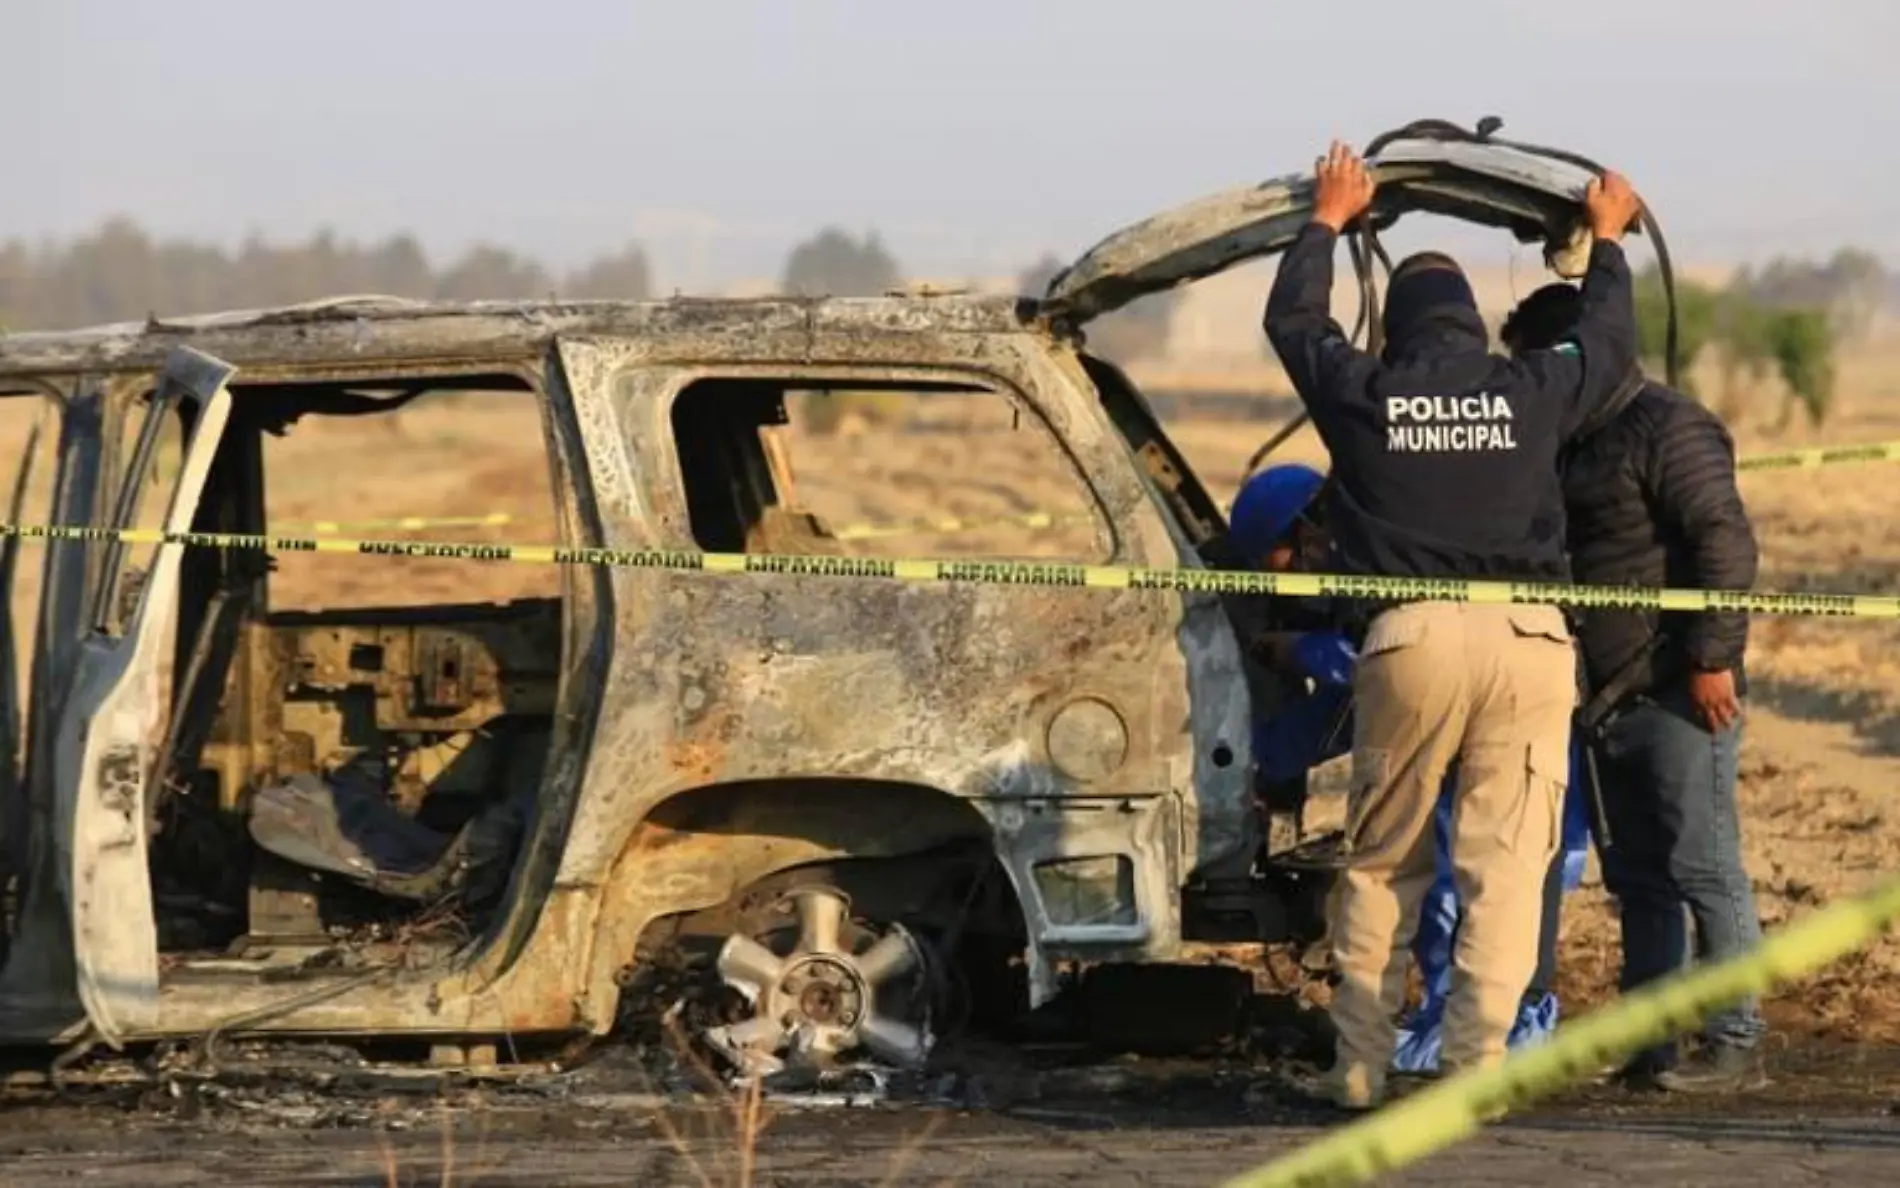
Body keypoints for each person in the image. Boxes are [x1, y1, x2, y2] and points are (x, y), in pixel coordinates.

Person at [1261, 140, 1643, 1110]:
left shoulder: (1368, 395)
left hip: (1411, 643)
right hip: (1527, 647)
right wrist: (1604, 242)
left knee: (1383, 860)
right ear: (1473, 328)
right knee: (1506, 870)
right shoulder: (1527, 389)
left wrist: (1324, 222)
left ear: (1396, 332)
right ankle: (1474, 1070)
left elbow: (1293, 321)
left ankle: (1356, 1068)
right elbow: (1604, 347)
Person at [1231, 464, 1590, 1077]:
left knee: (1463, 885)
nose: (1289, 584)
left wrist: (1294, 662)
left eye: (1282, 564)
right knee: (1460, 886)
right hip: (1481, 719)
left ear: (1305, 529)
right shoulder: (1373, 536)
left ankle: (1485, 1037)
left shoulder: (1373, 554)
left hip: (1493, 739)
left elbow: (1361, 682)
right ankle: (1460, 1037)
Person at [1501, 282, 1768, 1092]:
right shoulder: (1570, 439)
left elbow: (1724, 539)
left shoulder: (1671, 426)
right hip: (1605, 695)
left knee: (1703, 863)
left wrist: (1712, 655)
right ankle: (1653, 1044)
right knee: (1639, 878)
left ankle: (1734, 1041)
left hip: (1679, 688)